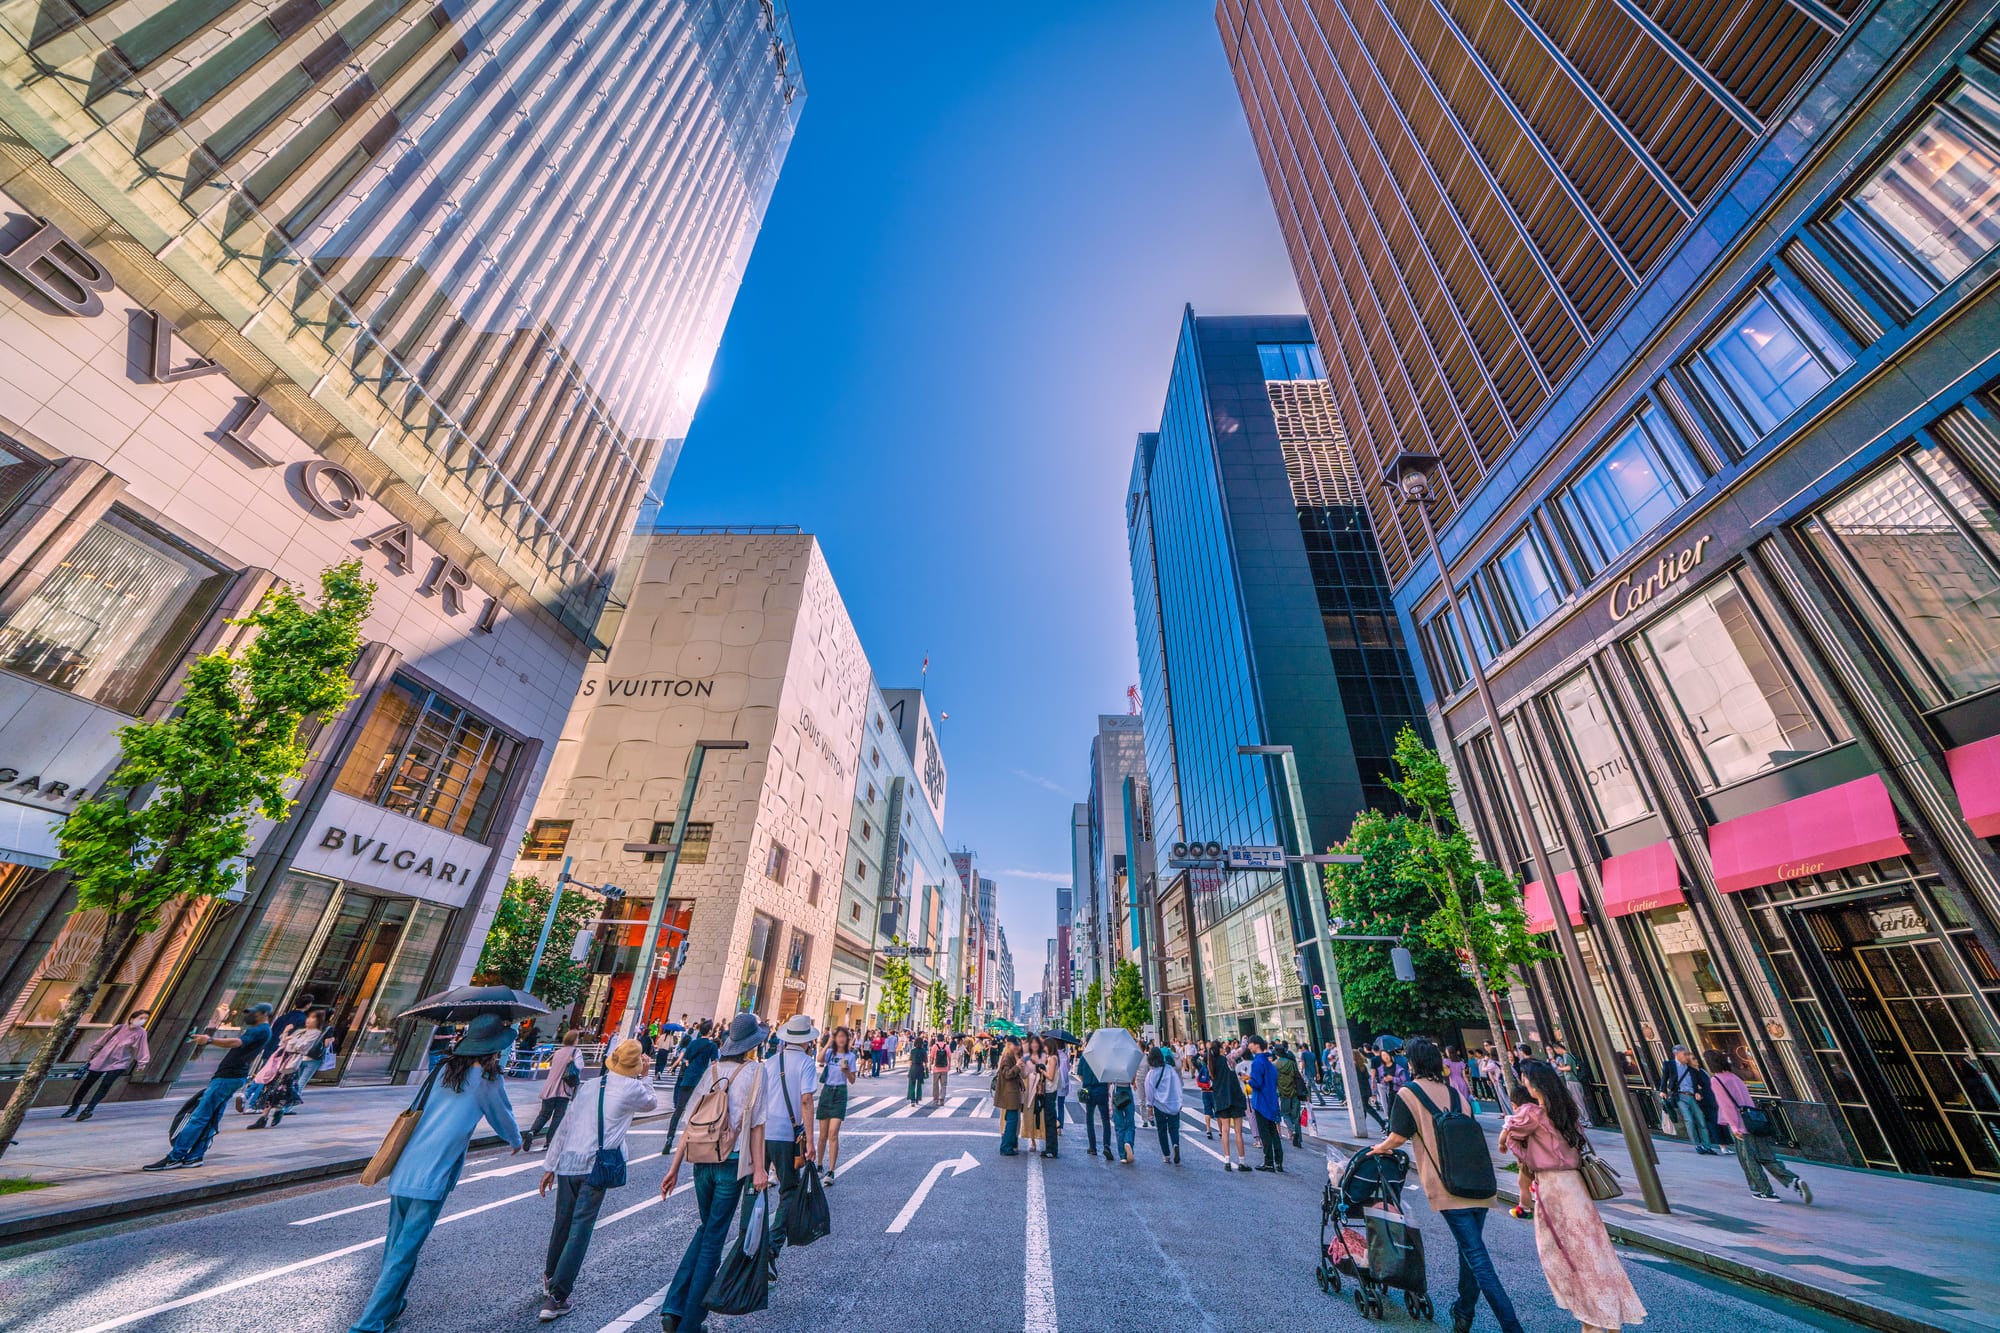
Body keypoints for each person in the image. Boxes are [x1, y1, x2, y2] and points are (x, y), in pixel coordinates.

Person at [346, 1013, 522, 1332]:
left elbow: (416, 1107)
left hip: (406, 1166)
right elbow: (503, 1117)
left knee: (396, 1245)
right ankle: (368, 1323)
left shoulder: (442, 1068)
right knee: (404, 1251)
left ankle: (391, 1306)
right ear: (493, 1048)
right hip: (435, 1172)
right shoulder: (487, 1080)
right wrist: (516, 1141)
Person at [1370, 1037, 1524, 1333]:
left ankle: (1512, 1326)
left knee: (1477, 1257)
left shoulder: (1408, 1093)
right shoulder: (1456, 1095)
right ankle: (1464, 1311)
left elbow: (1397, 1137)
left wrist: (1378, 1149)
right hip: (1479, 1183)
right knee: (1470, 1251)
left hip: (1448, 1187)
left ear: (1413, 1063)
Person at [1500, 1060, 1646, 1331]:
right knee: (1592, 1250)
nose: (1524, 1083)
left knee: (1563, 1255)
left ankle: (1591, 1319)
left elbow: (1515, 1142)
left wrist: (1511, 1141)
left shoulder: (1533, 1113)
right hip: (1576, 1186)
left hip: (1554, 1188)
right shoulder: (1567, 1113)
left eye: (1526, 1079)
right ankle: (1608, 1314)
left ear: (1535, 1084)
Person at [657, 1011, 770, 1333]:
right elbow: (757, 1126)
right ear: (752, 1044)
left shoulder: (713, 1069)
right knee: (713, 1240)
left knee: (706, 1228)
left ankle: (673, 1308)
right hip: (730, 1164)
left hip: (700, 1160)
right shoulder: (755, 1072)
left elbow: (691, 1120)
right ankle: (690, 1324)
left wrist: (674, 1167)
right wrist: (759, 1170)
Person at [537, 1038, 657, 1321]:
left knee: (562, 1223)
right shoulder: (632, 1089)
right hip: (595, 1166)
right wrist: (646, 1075)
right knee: (580, 1229)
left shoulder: (591, 1086)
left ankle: (550, 1278)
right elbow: (651, 1102)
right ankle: (558, 1297)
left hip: (569, 1162)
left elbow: (565, 1126)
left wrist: (550, 1165)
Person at [146, 1003, 274, 1171]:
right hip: (233, 1077)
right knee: (212, 1117)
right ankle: (195, 1156)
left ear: (264, 1014)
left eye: (254, 1013)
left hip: (227, 1077)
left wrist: (210, 1040)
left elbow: (236, 1042)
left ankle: (175, 1156)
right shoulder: (263, 1030)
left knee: (199, 1117)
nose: (249, 1016)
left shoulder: (260, 1030)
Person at [1705, 1049, 1811, 1204]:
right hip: (1754, 1122)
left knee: (1749, 1160)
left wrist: (1734, 1126)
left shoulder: (1716, 1080)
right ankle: (1794, 1180)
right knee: (1766, 1157)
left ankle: (1765, 1191)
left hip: (1740, 1124)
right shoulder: (1735, 1077)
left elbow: (1726, 1105)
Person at [760, 1015, 818, 1278]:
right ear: (807, 1040)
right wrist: (811, 1141)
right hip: (787, 1135)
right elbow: (806, 1100)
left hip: (763, 1132)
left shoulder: (771, 1062)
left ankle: (750, 1242)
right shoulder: (806, 1063)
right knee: (789, 1191)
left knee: (756, 1188)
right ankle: (772, 1247)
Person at [63, 1008, 152, 1121]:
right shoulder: (119, 1028)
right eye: (141, 1018)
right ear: (132, 1019)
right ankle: (74, 1106)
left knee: (105, 1086)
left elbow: (142, 1048)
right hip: (102, 1059)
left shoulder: (141, 1033)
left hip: (119, 1063)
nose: (143, 1020)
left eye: (145, 1019)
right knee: (86, 1084)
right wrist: (92, 1054)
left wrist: (142, 1063)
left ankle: (89, 1109)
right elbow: (102, 1040)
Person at [248, 1009, 326, 1129]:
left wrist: (291, 1040)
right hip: (282, 1061)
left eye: (313, 1018)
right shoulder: (300, 1031)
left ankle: (277, 1111)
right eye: (309, 1017)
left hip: (292, 1064)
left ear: (318, 1021)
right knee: (271, 1088)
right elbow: (283, 1043)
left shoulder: (315, 1033)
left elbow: (301, 1047)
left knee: (281, 1089)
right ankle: (265, 1116)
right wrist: (285, 1033)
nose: (309, 1020)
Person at [526, 1030, 584, 1153]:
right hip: (564, 1089)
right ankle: (549, 1142)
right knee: (558, 1116)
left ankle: (532, 1132)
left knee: (543, 1114)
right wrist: (572, 1061)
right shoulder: (576, 1052)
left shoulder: (557, 1052)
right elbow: (580, 1066)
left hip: (549, 1088)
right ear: (575, 1040)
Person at [1656, 1044, 1720, 1155]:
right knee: (1689, 1120)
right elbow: (1664, 1078)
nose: (1686, 1056)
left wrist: (1698, 1092)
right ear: (1677, 1054)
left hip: (1692, 1096)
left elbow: (1699, 1083)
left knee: (1701, 1120)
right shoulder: (1669, 1065)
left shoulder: (1691, 1069)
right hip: (1680, 1096)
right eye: (1684, 1054)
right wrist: (1663, 1091)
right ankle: (1697, 1145)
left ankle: (1707, 1146)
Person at [667, 1020, 719, 1148]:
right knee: (698, 1111)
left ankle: (670, 1137)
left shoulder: (693, 1043)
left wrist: (689, 1065)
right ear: (710, 1031)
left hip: (687, 1078)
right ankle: (692, 1140)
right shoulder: (712, 1046)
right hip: (700, 1081)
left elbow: (686, 1059)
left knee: (679, 1109)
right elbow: (714, 1064)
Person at [816, 1027, 857, 1184]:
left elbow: (852, 1080)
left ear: (847, 1039)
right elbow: (819, 1059)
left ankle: (831, 1170)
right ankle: (819, 1165)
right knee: (823, 1134)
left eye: (844, 1036)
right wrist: (828, 1043)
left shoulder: (850, 1056)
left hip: (840, 1092)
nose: (841, 1039)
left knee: (833, 1133)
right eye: (838, 1036)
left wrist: (846, 1071)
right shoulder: (830, 1053)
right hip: (827, 1091)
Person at [1206, 1040, 1248, 1172]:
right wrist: (1244, 1040)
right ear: (1220, 1049)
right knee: (1238, 1132)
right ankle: (1242, 1162)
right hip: (1234, 1097)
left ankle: (1227, 1161)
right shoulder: (1228, 1059)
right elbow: (1241, 1050)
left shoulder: (1211, 1064)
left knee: (1225, 1131)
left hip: (1221, 1098)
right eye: (1223, 1047)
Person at [1247, 1037, 1284, 1172]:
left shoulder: (1257, 1062)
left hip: (1261, 1101)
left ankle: (1268, 1162)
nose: (1249, 1047)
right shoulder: (1270, 1063)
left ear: (1256, 1045)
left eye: (1250, 1044)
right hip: (1271, 1099)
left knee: (1264, 1133)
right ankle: (1279, 1160)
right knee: (1273, 1131)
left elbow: (1256, 1083)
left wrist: (1248, 1080)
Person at [1144, 1047, 1183, 1164]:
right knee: (1174, 1128)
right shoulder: (1170, 1070)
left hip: (1159, 1105)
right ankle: (1175, 1144)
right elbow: (1178, 1086)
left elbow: (1149, 1092)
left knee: (1162, 1130)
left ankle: (1166, 1155)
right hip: (1173, 1104)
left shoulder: (1151, 1074)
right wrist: (1180, 1101)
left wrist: (1149, 1106)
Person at [994, 1038, 1026, 1155]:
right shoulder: (1007, 1057)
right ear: (1008, 1044)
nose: (1017, 1047)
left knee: (1012, 1120)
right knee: (1012, 1121)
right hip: (1009, 1094)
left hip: (1012, 1093)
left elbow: (1016, 1075)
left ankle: (1009, 1145)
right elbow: (1007, 1074)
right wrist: (1017, 1066)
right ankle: (1006, 1147)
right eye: (1015, 1045)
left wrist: (1021, 1082)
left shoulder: (1012, 1056)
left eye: (1018, 1045)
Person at [1077, 1051, 1112, 1158]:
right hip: (1102, 1090)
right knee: (1105, 1120)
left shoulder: (1084, 1057)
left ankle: (1092, 1147)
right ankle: (1106, 1145)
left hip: (1089, 1091)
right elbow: (1109, 1076)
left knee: (1089, 1119)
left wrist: (1086, 1081)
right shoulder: (1104, 1057)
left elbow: (1080, 1075)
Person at [1553, 1043, 1594, 1129]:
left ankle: (1586, 1120)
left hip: (1572, 1080)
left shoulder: (1566, 1056)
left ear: (1558, 1048)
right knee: (1578, 1101)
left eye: (1555, 1050)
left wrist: (1559, 1068)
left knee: (1578, 1102)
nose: (1556, 1052)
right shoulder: (1569, 1055)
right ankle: (1583, 1120)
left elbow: (1568, 1068)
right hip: (1574, 1080)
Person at [1275, 1041, 1305, 1148]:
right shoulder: (1291, 1063)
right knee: (1296, 1116)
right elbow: (1298, 1077)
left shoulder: (1274, 1065)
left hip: (1283, 1093)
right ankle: (1299, 1139)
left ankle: (1292, 1130)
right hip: (1295, 1092)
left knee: (1285, 1114)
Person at [1037, 1039, 1062, 1159]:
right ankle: (1050, 1148)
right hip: (1051, 1091)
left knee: (1050, 1121)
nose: (1044, 1048)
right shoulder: (1052, 1058)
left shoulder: (1052, 1058)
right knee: (1049, 1120)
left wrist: (1042, 1070)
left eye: (1045, 1046)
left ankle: (1051, 1149)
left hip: (1050, 1091)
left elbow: (1050, 1077)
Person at [906, 1029, 929, 1106]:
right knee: (919, 1084)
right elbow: (926, 1062)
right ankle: (918, 1098)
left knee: (912, 1084)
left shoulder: (913, 1051)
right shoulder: (923, 1051)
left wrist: (909, 1069)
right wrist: (926, 1069)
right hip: (920, 1068)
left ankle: (912, 1100)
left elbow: (910, 1061)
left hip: (913, 1067)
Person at [930, 1033, 950, 1106]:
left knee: (935, 1084)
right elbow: (949, 1057)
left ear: (937, 1039)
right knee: (943, 1085)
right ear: (943, 1039)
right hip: (944, 1068)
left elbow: (931, 1057)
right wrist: (949, 1065)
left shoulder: (935, 1046)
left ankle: (935, 1100)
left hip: (936, 1068)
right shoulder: (946, 1046)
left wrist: (930, 1065)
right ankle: (942, 1099)